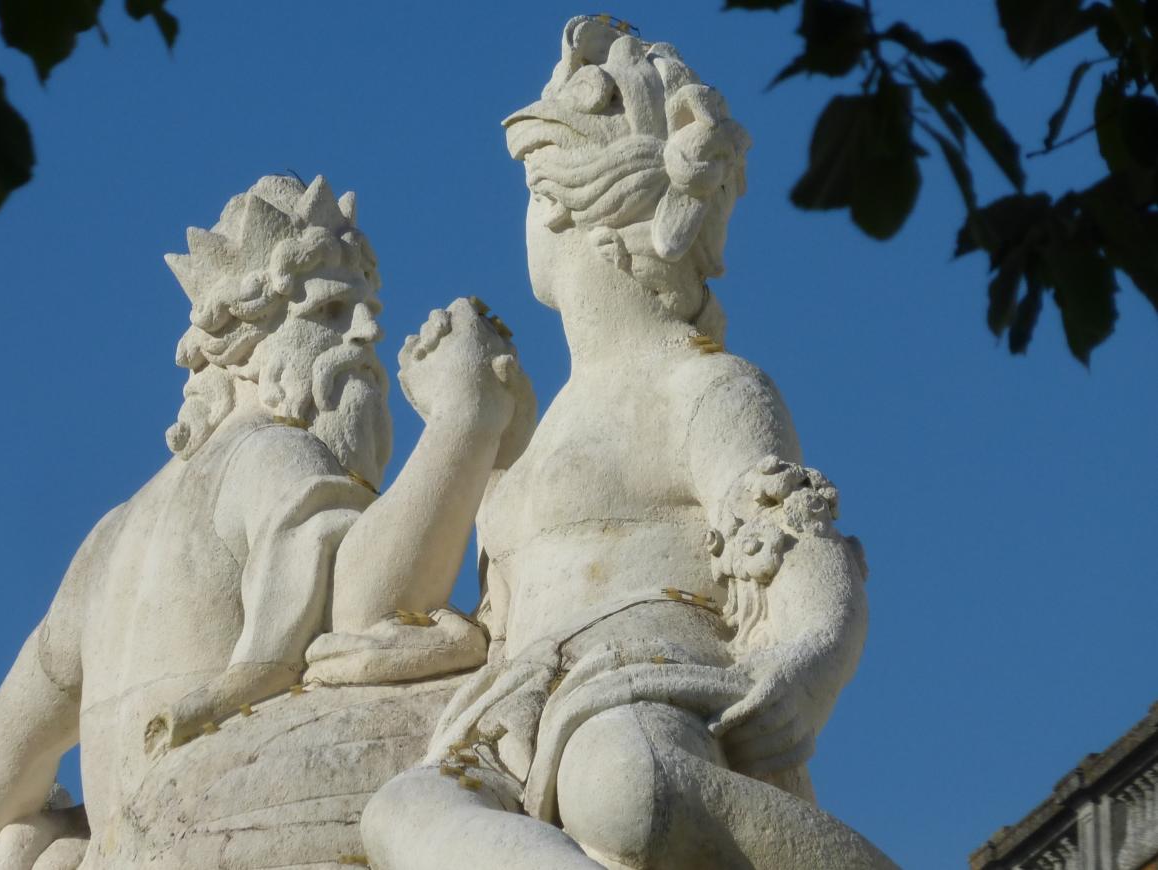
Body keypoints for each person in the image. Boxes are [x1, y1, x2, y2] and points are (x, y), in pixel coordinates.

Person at [361, 18, 894, 869]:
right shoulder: (529, 445)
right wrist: (470, 425)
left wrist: (811, 658)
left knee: (621, 779)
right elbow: (431, 622)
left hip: (653, 690)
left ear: (557, 205)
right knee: (401, 808)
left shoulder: (705, 385)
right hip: (518, 720)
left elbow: (793, 541)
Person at [0, 175, 529, 870]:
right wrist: (466, 420)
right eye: (333, 311)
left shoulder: (106, 543)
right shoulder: (270, 454)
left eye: (367, 311)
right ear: (249, 341)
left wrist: (54, 839)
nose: (367, 333)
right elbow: (366, 605)